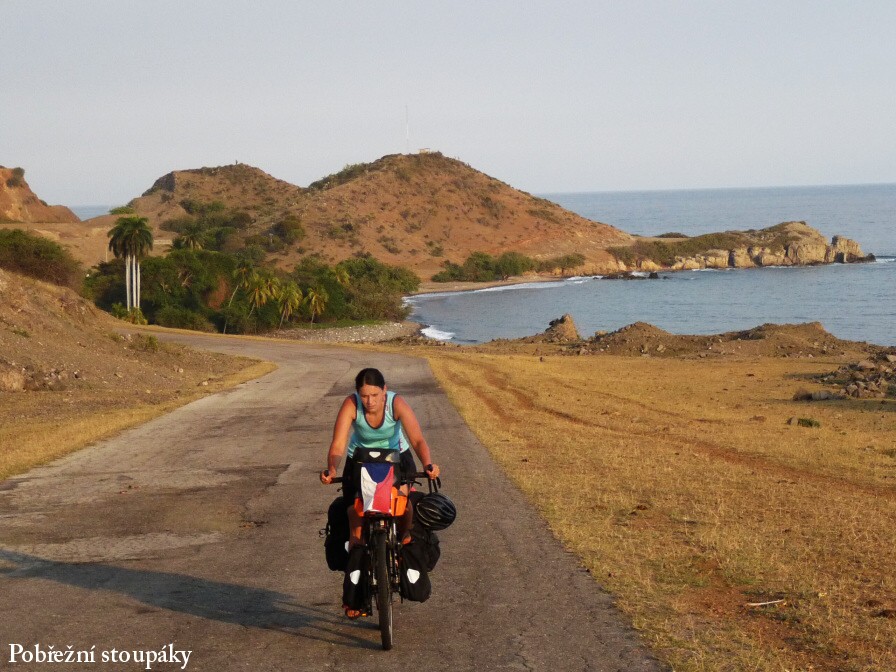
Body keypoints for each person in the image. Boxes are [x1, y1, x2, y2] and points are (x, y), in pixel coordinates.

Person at [320, 367, 441, 618]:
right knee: (355, 515)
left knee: (402, 503)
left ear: (384, 391)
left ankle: (403, 541)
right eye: (364, 396)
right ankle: (356, 590)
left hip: (396, 459)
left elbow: (417, 440)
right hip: (360, 460)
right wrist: (332, 469)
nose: (369, 401)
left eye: (375, 395)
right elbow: (339, 444)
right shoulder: (351, 405)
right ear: (358, 394)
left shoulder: (396, 404)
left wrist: (428, 464)